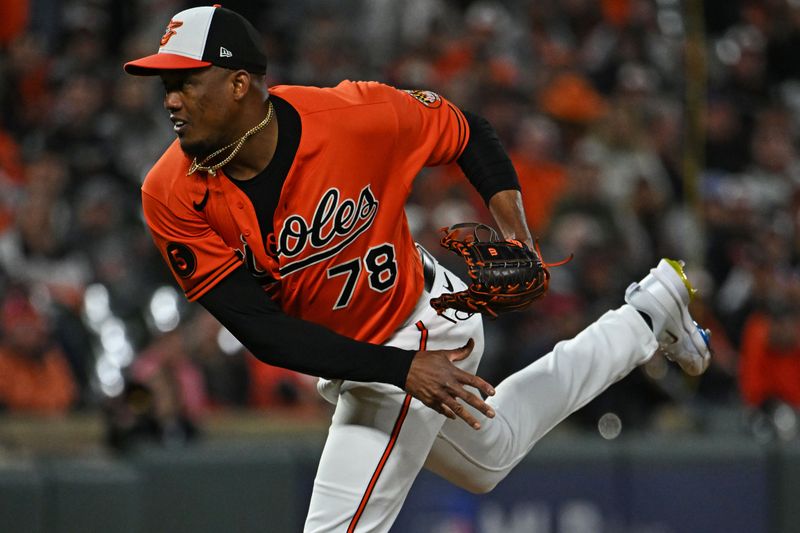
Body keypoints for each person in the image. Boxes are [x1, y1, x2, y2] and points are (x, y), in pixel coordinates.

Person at [124, 5, 712, 531]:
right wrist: (400, 369)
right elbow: (262, 330)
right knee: (492, 456)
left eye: (186, 81)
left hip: (422, 321)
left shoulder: (352, 116)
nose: (171, 99)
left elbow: (467, 131)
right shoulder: (170, 192)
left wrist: (521, 242)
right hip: (378, 358)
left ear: (239, 83)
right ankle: (645, 316)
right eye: (165, 84)